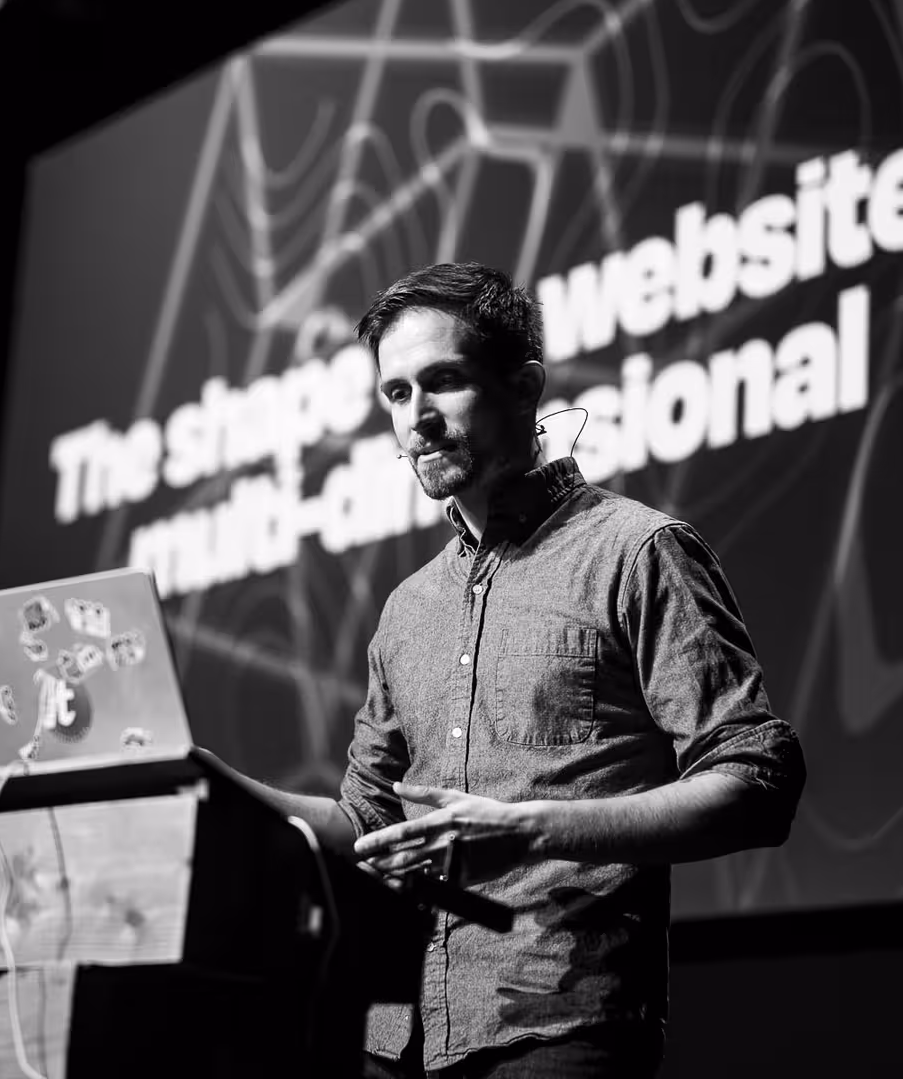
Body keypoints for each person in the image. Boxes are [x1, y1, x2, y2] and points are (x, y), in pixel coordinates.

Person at [210, 261, 806, 1078]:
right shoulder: (407, 608)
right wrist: (205, 783)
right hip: (394, 1034)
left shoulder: (636, 552)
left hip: (555, 1023)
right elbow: (366, 822)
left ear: (524, 388)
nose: (415, 418)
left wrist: (526, 825)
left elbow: (757, 785)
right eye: (395, 394)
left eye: (443, 382)